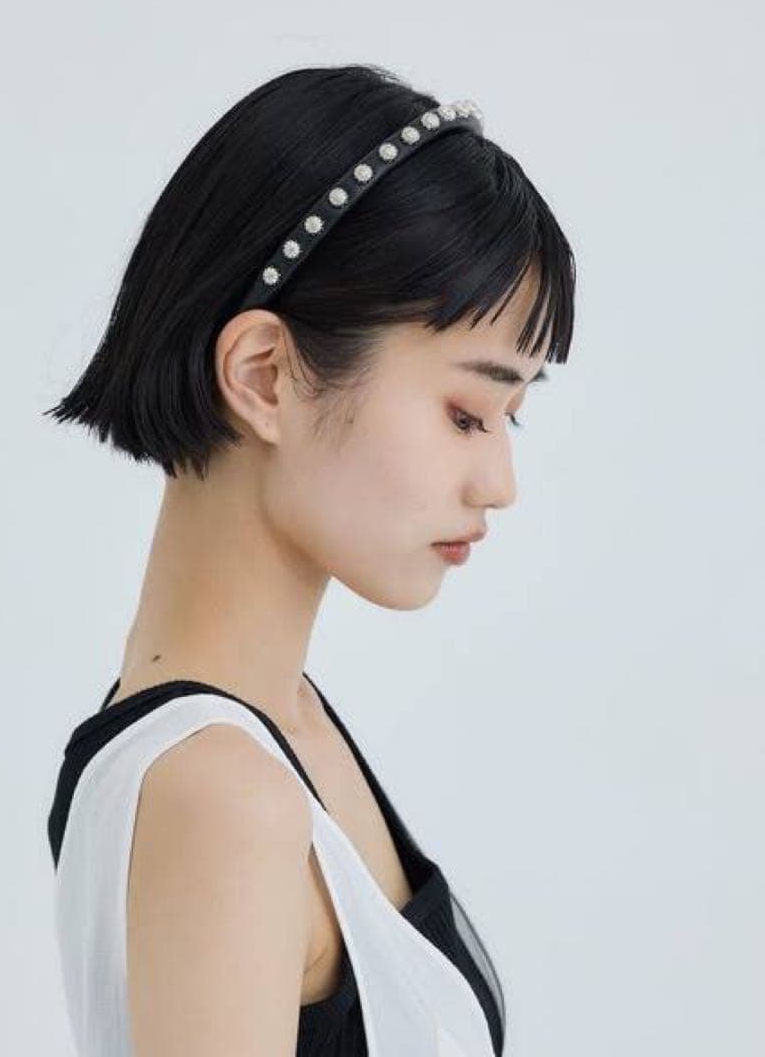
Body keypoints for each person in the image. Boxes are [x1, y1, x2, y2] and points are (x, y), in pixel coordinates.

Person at [44, 62, 576, 1057]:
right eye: (468, 412)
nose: (499, 482)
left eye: (512, 417)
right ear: (264, 376)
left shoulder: (276, 727)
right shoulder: (220, 795)